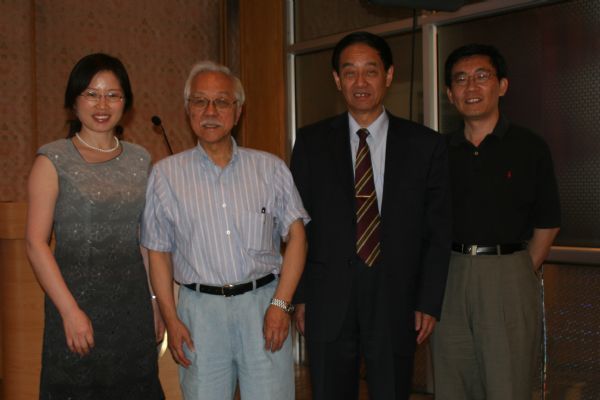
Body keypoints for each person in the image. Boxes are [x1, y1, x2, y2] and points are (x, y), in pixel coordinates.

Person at [290, 31, 451, 400]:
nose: (360, 82)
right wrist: (300, 296)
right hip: (328, 298)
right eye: (350, 72)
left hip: (397, 297)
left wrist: (428, 301)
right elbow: (297, 226)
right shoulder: (311, 143)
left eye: (370, 71)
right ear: (337, 80)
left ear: (389, 75)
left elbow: (437, 231)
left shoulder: (425, 145)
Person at [141, 60, 309, 400]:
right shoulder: (165, 175)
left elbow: (297, 238)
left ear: (238, 110)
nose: (210, 111)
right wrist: (171, 319)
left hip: (263, 307)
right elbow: (158, 252)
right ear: (188, 109)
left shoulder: (270, 169)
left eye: (221, 101)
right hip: (200, 314)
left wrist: (282, 304)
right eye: (200, 101)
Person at [25, 53, 164, 399]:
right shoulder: (53, 159)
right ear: (74, 101)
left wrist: (156, 302)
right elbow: (35, 243)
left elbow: (145, 240)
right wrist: (69, 311)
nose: (102, 105)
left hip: (132, 313)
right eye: (91, 94)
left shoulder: (140, 160)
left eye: (113, 95)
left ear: (125, 103)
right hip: (75, 308)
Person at [432, 44, 561, 400]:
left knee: (508, 385)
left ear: (502, 85)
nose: (471, 87)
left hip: (508, 274)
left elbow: (548, 222)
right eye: (460, 79)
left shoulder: (529, 147)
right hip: (449, 276)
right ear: (449, 93)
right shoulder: (437, 151)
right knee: (451, 382)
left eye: (481, 76)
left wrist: (517, 269)